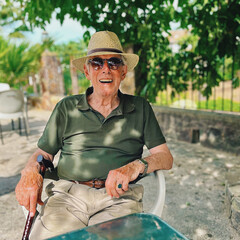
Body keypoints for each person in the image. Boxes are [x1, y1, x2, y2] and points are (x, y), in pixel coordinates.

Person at [15, 30, 173, 239]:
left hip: (118, 198)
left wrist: (135, 167)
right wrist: (30, 171)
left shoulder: (140, 108)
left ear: (123, 72)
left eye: (113, 63)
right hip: (68, 196)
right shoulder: (66, 108)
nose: (105, 69)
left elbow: (165, 157)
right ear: (87, 72)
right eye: (97, 63)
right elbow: (43, 153)